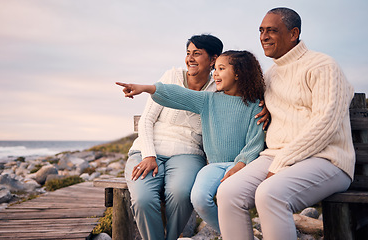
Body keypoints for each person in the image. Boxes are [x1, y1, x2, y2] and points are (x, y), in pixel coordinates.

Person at [216, 7, 355, 240]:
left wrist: (281, 163)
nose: (264, 36)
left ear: (293, 33)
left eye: (272, 30)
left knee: (270, 194)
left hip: (328, 159)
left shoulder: (322, 66)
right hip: (276, 156)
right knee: (228, 192)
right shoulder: (270, 75)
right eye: (261, 30)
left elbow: (326, 125)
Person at [117, 49, 266, 233]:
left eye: (221, 68)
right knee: (199, 199)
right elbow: (177, 94)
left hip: (243, 166)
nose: (215, 73)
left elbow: (255, 142)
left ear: (238, 73)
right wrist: (148, 88)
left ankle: (238, 235)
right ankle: (231, 234)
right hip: (213, 166)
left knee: (221, 195)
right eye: (215, 69)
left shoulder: (256, 105)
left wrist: (241, 163)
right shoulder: (209, 100)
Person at [122, 34, 221, 240]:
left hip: (188, 153)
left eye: (197, 54)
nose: (190, 59)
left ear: (213, 59)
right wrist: (149, 155)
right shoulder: (171, 77)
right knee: (142, 199)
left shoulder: (218, 90)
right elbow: (147, 120)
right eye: (188, 53)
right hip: (148, 150)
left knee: (181, 193)